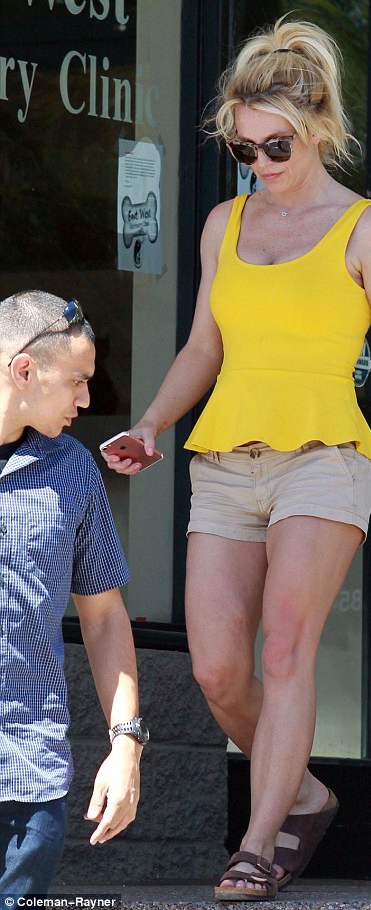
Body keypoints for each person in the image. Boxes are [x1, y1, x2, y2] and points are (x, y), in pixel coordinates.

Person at [102, 16, 371, 902]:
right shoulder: (223, 225)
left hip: (323, 460)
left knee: (290, 647)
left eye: (275, 145)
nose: (258, 161)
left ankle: (259, 844)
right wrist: (151, 423)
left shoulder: (369, 230)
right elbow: (203, 347)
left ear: (320, 127)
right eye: (242, 146)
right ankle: (302, 790)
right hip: (225, 462)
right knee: (218, 670)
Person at [0, 289, 148, 898]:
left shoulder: (74, 470)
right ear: (24, 370)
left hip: (29, 780)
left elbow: (105, 617)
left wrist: (126, 746)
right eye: (77, 381)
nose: (88, 399)